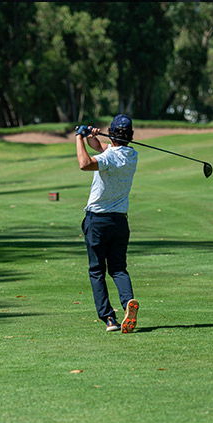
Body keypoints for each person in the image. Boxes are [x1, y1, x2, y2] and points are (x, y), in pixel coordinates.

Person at [76, 114, 139, 333]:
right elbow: (104, 149)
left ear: (111, 133)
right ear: (130, 136)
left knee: (96, 271)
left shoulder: (109, 158)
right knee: (119, 269)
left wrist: (78, 137)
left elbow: (84, 164)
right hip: (120, 222)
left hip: (98, 222)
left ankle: (109, 319)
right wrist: (90, 138)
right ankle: (128, 302)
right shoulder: (131, 155)